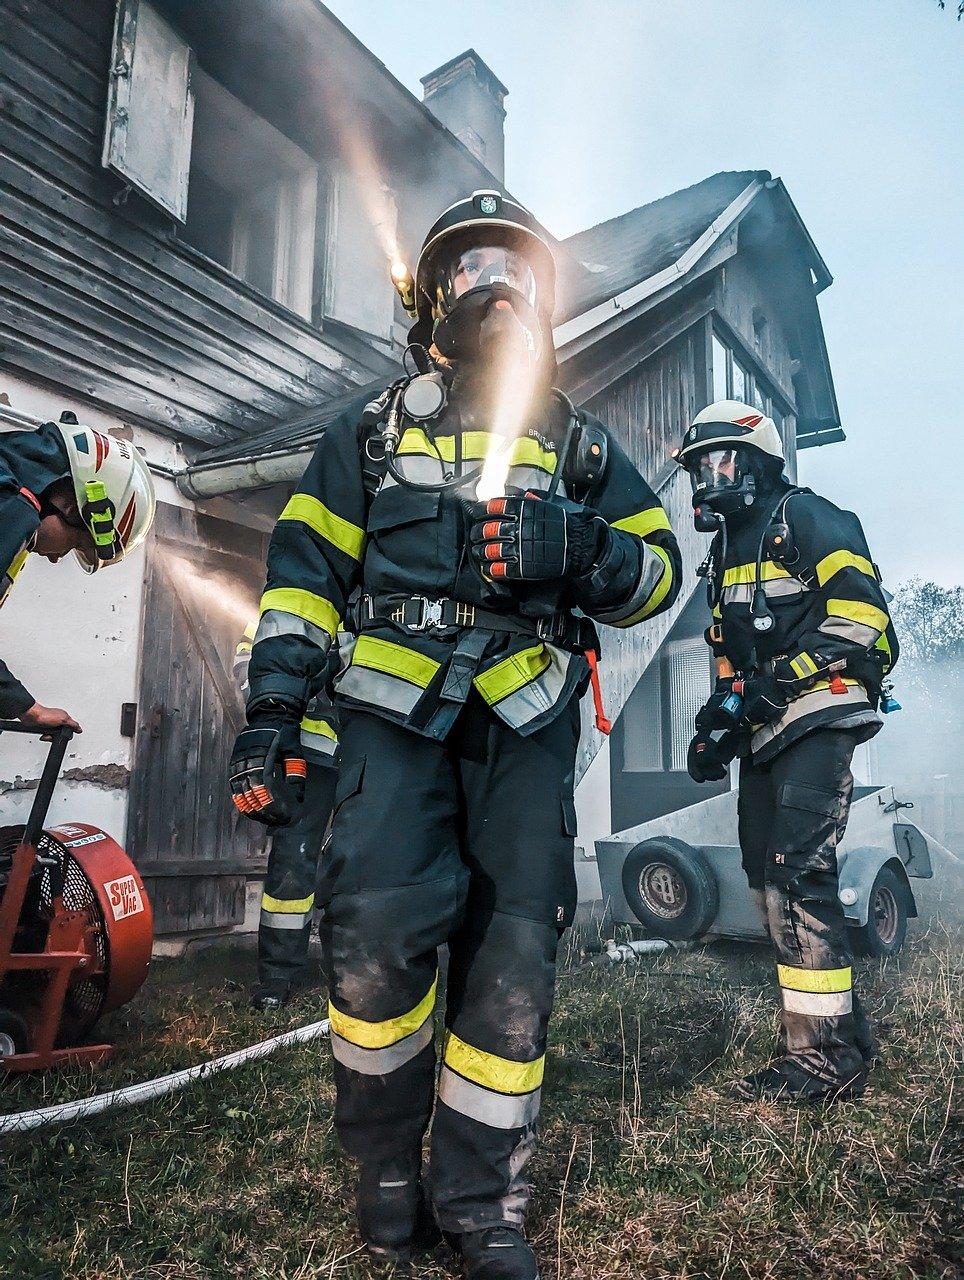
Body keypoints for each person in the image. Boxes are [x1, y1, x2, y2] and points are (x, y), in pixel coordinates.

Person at [229, 189, 681, 1279]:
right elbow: (300, 582)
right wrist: (272, 715)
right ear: (434, 292)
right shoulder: (371, 432)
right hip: (388, 721)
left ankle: (482, 1204)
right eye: (472, 265)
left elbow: (657, 568)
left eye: (513, 267)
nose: (494, 282)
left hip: (524, 728)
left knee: (512, 960)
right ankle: (385, 1170)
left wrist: (583, 549)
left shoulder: (579, 446)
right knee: (374, 943)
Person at [676, 399, 897, 1102]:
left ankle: (823, 1064)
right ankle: (841, 1036)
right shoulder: (722, 555)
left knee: (798, 874)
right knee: (768, 878)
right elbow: (728, 661)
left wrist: (780, 679)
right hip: (768, 730)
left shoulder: (805, 517)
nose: (707, 478)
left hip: (819, 714)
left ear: (758, 461)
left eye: (719, 461)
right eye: (697, 467)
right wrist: (717, 724)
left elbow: (863, 619)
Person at [0, 413, 155, 730]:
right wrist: (29, 709)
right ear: (72, 506)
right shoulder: (15, 508)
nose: (56, 558)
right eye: (73, 544)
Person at [234, 622, 340, 1010]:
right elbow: (248, 662)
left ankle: (352, 968)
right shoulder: (289, 611)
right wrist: (282, 706)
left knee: (362, 861)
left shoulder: (381, 596)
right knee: (293, 863)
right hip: (307, 754)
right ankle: (278, 976)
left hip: (368, 755)